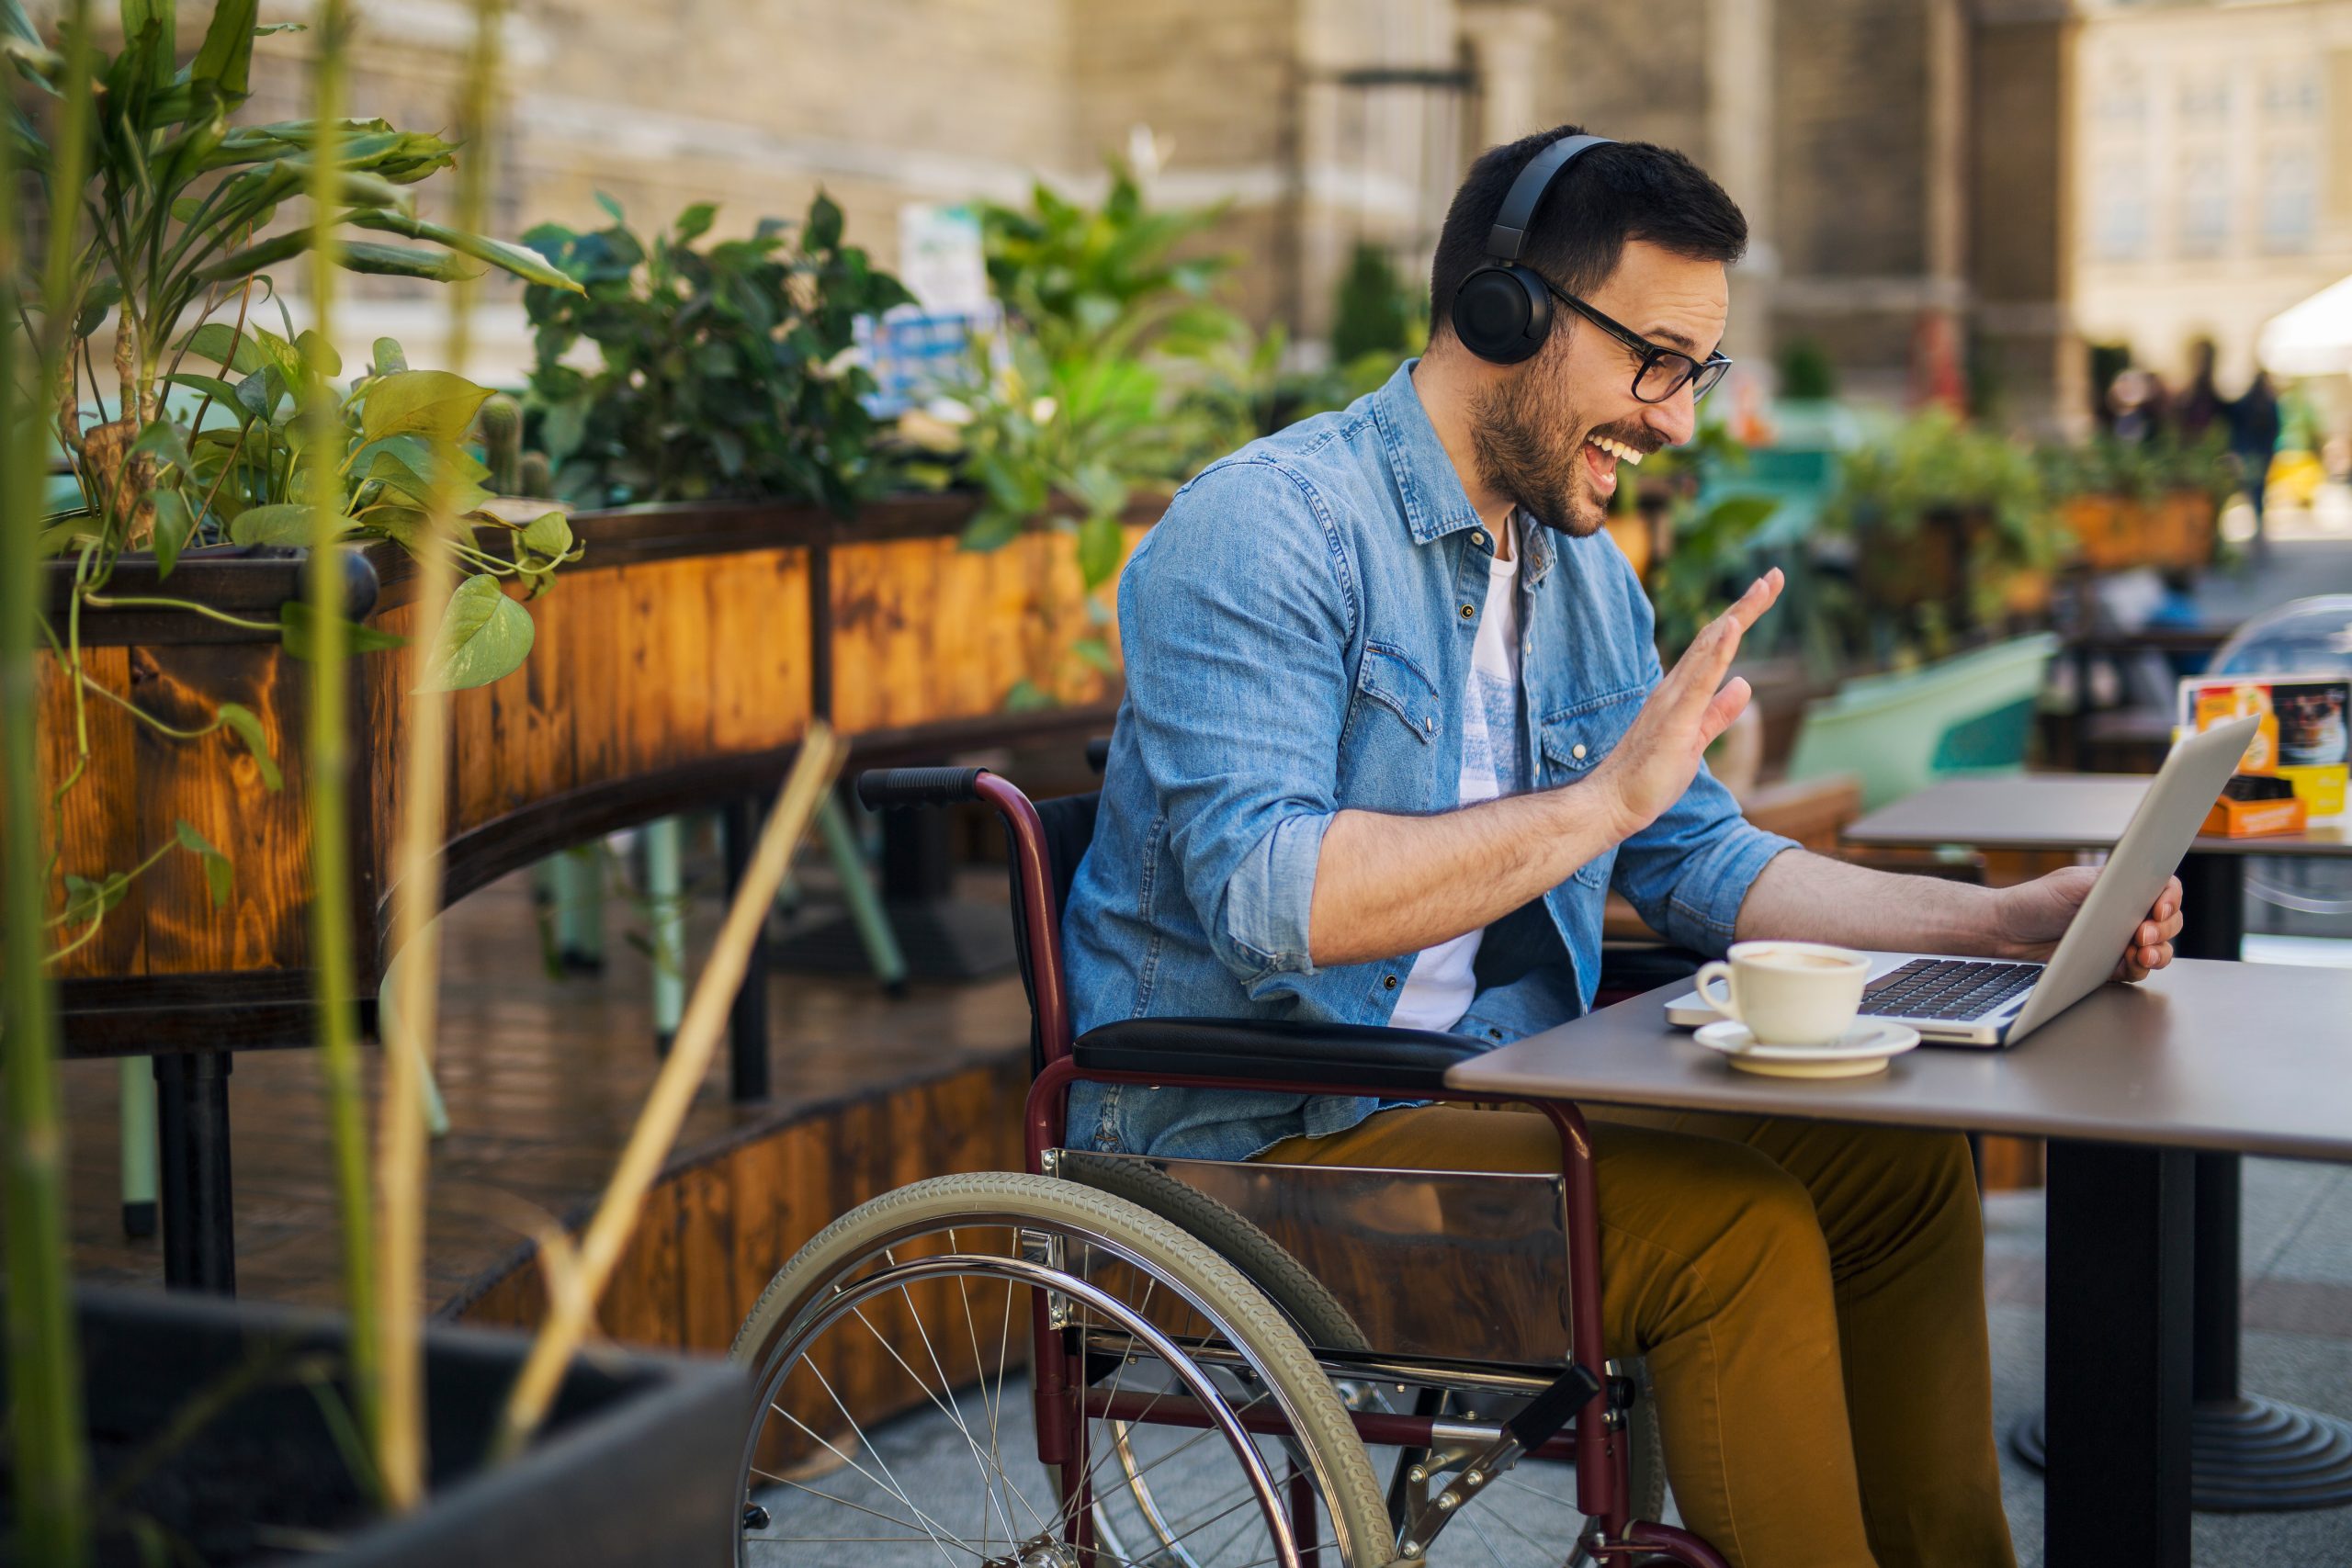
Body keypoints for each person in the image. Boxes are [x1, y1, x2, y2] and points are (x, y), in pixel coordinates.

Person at [1060, 126, 2184, 1568]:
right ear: (1505, 311)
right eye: (1656, 359)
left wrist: (2007, 920)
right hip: (1252, 1144)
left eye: (1696, 371)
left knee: (1895, 1175)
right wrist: (1599, 804)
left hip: (1474, 1095)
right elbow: (1277, 899)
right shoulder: (1268, 531)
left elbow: (1703, 863)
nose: (1678, 421)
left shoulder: (1580, 569)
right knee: (1732, 1233)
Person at [2229, 368, 2282, 547]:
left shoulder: (2261, 402)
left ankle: (2258, 527)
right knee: (2256, 490)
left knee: (2256, 490)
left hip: (2254, 452)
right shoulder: (2263, 402)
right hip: (2256, 452)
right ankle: (2257, 526)